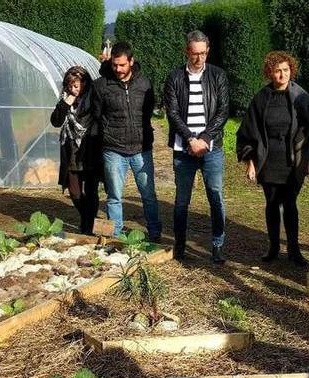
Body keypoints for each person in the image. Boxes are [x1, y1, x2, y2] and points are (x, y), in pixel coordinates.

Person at [236, 51, 309, 267]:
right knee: (272, 204)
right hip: (269, 159)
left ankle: (294, 250)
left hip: (292, 160)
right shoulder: (262, 98)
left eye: (285, 70)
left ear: (291, 70)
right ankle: (273, 247)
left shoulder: (301, 96)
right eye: (277, 71)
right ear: (270, 73)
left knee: (290, 204)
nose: (282, 75)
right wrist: (251, 163)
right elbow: (247, 132)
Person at [163, 30, 230, 263]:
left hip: (211, 148)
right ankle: (180, 244)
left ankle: (217, 245)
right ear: (187, 52)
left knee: (216, 195)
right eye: (194, 54)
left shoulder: (218, 76)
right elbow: (172, 112)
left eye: (203, 53)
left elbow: (223, 111)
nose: (199, 58)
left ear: (207, 51)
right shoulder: (174, 78)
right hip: (184, 149)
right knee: (182, 200)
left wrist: (205, 138)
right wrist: (191, 139)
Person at [91, 41, 162, 242]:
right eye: (115, 65)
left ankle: (155, 232)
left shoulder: (144, 84)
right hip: (113, 149)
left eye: (122, 65)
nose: (118, 69)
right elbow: (97, 115)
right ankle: (116, 235)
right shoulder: (101, 85)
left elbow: (147, 112)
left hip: (141, 148)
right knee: (114, 196)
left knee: (148, 194)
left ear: (131, 61)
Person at [51, 66, 101, 235]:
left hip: (90, 150)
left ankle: (87, 224)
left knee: (91, 191)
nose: (73, 90)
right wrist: (66, 103)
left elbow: (100, 119)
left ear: (85, 84)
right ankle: (87, 218)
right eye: (70, 86)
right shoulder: (65, 100)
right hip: (71, 151)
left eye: (76, 86)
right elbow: (56, 122)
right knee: (74, 191)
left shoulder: (93, 99)